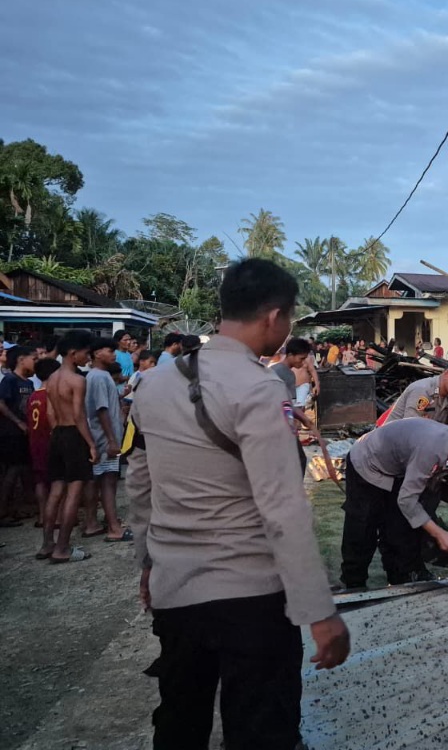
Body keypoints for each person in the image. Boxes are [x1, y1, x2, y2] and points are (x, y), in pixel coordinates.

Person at [127, 258, 349, 750]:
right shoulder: (258, 388)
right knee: (261, 731)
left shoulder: (152, 386)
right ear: (274, 316)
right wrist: (320, 611)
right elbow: (282, 509)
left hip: (176, 591)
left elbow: (141, 483)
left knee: (180, 720)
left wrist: (147, 562)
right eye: (289, 318)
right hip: (250, 597)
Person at [340, 418, 448, 589]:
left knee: (398, 525)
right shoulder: (430, 451)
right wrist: (439, 533)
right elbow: (407, 500)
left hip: (396, 469)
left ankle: (399, 577)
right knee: (363, 525)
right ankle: (354, 581)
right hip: (367, 462)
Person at [38, 330, 97, 563]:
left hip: (58, 434)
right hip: (74, 434)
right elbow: (79, 416)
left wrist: (57, 435)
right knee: (74, 490)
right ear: (73, 354)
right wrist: (91, 444)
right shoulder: (78, 380)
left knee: (56, 490)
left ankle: (47, 544)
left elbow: (51, 412)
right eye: (86, 353)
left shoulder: (51, 380)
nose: (88, 357)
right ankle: (62, 547)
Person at [82, 338, 130, 543]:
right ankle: (114, 527)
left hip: (99, 436)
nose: (113, 354)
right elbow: (102, 410)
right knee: (109, 482)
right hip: (103, 438)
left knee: (96, 482)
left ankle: (92, 523)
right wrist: (111, 440)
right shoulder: (100, 377)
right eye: (109, 350)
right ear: (96, 353)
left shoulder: (96, 376)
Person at [270, 337, 321, 477]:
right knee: (298, 460)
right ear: (290, 355)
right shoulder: (282, 373)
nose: (303, 362)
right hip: (277, 427)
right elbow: (286, 406)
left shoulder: (280, 371)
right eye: (301, 358)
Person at [382, 352, 448, 425]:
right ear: (447, 374)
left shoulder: (447, 396)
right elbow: (409, 431)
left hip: (411, 441)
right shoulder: (422, 391)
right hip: (387, 442)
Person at [0, 346, 37, 526]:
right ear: (21, 359)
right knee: (12, 471)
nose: (35, 363)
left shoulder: (28, 383)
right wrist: (18, 422)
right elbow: (1, 404)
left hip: (25, 433)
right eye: (33, 359)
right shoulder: (10, 380)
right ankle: (3, 511)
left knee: (24, 469)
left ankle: (21, 507)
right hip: (11, 433)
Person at [27, 358, 60, 528]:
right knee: (57, 481)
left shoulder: (33, 395)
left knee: (40, 480)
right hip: (50, 441)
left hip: (35, 442)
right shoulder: (51, 395)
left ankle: (42, 515)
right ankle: (57, 518)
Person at [292, 340, 320, 409]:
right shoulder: (288, 357)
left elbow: (312, 370)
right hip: (292, 387)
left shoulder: (307, 358)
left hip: (303, 385)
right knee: (293, 409)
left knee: (301, 407)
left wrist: (317, 384)